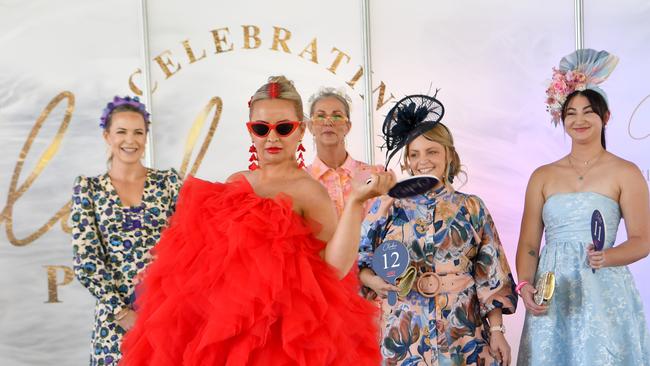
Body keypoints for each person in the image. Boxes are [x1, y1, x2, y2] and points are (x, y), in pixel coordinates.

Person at [120, 76, 395, 365]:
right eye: (262, 129)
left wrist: (354, 203)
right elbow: (202, 267)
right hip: (225, 335)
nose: (272, 138)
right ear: (250, 132)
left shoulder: (308, 191)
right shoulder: (235, 182)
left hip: (283, 338)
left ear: (301, 130)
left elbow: (333, 268)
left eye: (284, 128)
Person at [358, 94, 517, 366]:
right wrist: (374, 281)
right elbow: (360, 263)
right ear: (407, 160)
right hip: (405, 334)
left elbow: (491, 276)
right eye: (414, 154)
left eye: (432, 151)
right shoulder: (387, 207)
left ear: (449, 154)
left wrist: (498, 331)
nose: (423, 161)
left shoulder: (471, 207)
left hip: (463, 334)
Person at [516, 49, 650, 365]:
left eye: (589, 111)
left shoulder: (626, 171)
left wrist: (609, 256)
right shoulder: (543, 175)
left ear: (605, 117)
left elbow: (643, 240)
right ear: (561, 119)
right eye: (571, 113)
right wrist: (525, 286)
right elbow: (530, 244)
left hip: (604, 290)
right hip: (553, 290)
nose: (579, 120)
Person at [71, 96, 182, 365]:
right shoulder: (89, 188)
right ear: (107, 136)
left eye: (138, 132)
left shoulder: (168, 182)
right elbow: (86, 260)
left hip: (164, 314)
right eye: (121, 132)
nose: (129, 140)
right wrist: (122, 312)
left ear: (146, 137)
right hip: (114, 322)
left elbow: (187, 242)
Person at [306, 87, 383, 217]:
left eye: (337, 116)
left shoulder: (375, 175)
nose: (328, 122)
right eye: (320, 116)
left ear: (348, 126)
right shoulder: (302, 181)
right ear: (310, 126)